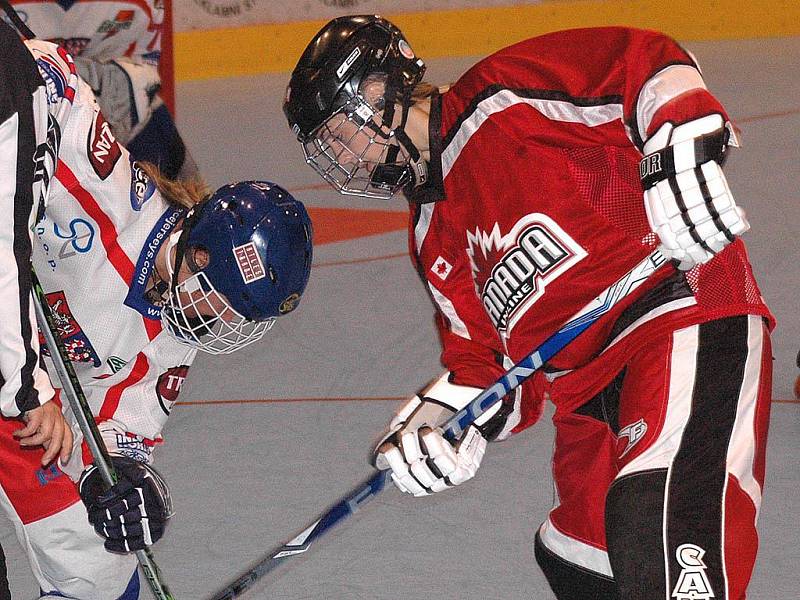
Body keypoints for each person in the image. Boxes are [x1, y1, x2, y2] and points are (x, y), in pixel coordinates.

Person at [283, 15, 774, 600]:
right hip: (585, 397)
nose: (342, 158)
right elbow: (496, 369)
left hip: (680, 312)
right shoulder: (429, 230)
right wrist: (447, 419)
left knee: (660, 531)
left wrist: (679, 149)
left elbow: (646, 61)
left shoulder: (502, 96)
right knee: (580, 560)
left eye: (339, 133)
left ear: (377, 95)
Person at [0, 8, 313, 599]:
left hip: (22, 400)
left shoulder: (177, 333)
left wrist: (122, 478)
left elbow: (124, 417)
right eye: (220, 301)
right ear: (196, 255)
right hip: (14, 369)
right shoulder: (109, 199)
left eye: (236, 318)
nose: (218, 322)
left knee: (107, 580)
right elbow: (53, 76)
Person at [7, 0, 198, 180]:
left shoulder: (144, 5)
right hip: (23, 120)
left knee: (186, 194)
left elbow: (144, 77)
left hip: (115, 117)